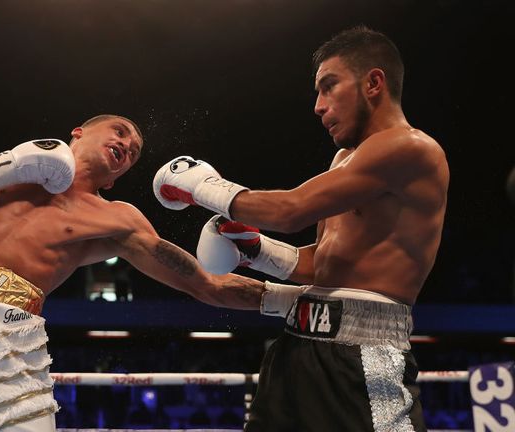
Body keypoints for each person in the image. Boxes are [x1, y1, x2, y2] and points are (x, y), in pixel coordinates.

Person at [0, 114, 267, 432]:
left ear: (118, 178)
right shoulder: (15, 171)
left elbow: (203, 284)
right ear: (78, 132)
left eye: (133, 151)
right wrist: (7, 165)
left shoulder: (117, 218)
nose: (127, 145)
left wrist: (286, 298)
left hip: (4, 336)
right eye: (119, 131)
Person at [153, 25, 448, 432]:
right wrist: (255, 249)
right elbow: (322, 261)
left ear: (374, 83)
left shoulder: (411, 148)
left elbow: (293, 210)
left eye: (329, 87)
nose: (318, 106)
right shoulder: (345, 157)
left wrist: (201, 186)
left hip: (364, 357)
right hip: (296, 349)